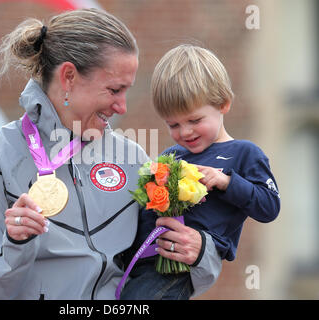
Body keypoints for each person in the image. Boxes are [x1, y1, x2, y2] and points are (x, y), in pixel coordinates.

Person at [0, 9, 221, 300]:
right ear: (68, 77)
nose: (122, 107)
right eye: (114, 90)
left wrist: (199, 252)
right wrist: (16, 245)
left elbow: (158, 270)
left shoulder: (131, 155)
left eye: (125, 91)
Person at [120, 44, 280, 300]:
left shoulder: (244, 153)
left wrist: (227, 182)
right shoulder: (171, 155)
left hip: (176, 271)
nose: (185, 132)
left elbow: (270, 206)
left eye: (195, 121)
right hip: (135, 264)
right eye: (173, 124)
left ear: (223, 104)